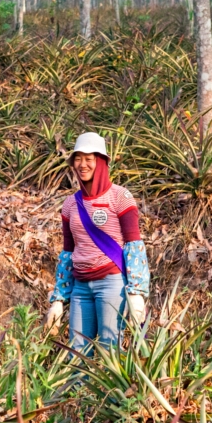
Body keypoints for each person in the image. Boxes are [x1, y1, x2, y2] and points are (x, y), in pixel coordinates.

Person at [44, 132, 151, 352]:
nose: (83, 164)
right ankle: (78, 388)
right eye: (78, 158)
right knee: (77, 353)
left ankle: (112, 389)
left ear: (101, 161)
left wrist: (137, 292)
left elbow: (134, 246)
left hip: (112, 285)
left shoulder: (121, 197)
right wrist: (58, 298)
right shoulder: (70, 204)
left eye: (89, 159)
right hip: (80, 287)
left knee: (110, 351)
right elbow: (68, 253)